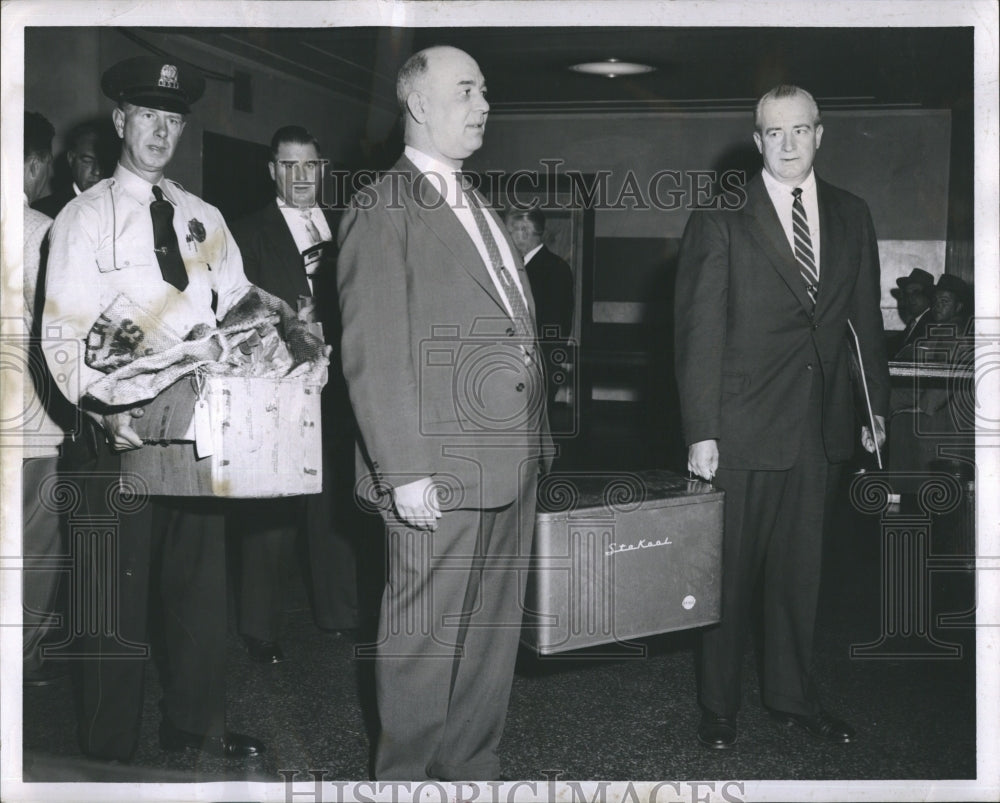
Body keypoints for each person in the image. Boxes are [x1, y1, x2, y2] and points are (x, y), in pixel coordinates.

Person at [41, 56, 269, 762]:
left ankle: (189, 731)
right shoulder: (83, 219)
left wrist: (273, 342)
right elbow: (63, 332)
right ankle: (104, 752)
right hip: (119, 432)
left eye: (172, 120)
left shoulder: (204, 217)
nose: (160, 132)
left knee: (199, 597)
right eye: (148, 116)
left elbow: (241, 305)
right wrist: (101, 406)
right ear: (120, 122)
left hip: (198, 429)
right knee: (112, 607)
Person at [337, 45, 550, 780]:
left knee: (489, 642)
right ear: (418, 104)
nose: (484, 104)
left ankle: (471, 770)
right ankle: (402, 781)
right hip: (434, 473)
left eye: (485, 90)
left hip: (507, 466)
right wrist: (402, 472)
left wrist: (537, 446)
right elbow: (373, 347)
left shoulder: (478, 203)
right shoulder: (381, 206)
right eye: (466, 91)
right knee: (423, 645)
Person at [674, 84, 889, 750]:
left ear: (820, 134)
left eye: (801, 130)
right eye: (775, 133)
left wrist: (872, 407)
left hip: (818, 424)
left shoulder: (853, 214)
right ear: (757, 139)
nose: (789, 144)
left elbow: (863, 323)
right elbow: (697, 330)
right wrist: (700, 430)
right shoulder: (722, 217)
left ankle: (793, 698)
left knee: (802, 575)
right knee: (728, 575)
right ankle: (719, 707)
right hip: (739, 424)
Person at [228, 125, 358, 664]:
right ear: (273, 171)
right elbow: (236, 314)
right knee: (275, 510)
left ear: (322, 169)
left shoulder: (348, 227)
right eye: (289, 166)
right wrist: (290, 329)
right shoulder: (247, 231)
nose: (301, 177)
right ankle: (260, 628)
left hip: (343, 386)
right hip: (280, 388)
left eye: (310, 166)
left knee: (333, 505)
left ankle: (339, 614)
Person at [20, 111, 68, 686]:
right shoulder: (38, 231)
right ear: (33, 163)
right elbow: (55, 331)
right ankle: (21, 662)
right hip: (28, 423)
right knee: (32, 552)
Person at [505, 207, 575, 409]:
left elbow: (554, 326)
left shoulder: (555, 269)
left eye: (508, 232)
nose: (505, 238)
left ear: (524, 232)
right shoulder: (519, 267)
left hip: (538, 365)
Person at [32, 121, 107, 218]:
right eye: (87, 160)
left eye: (103, 161)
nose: (97, 171)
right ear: (71, 159)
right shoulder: (43, 212)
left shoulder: (118, 208)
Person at [890, 267, 934, 359]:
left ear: (929, 295)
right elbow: (897, 343)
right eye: (907, 294)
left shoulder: (931, 323)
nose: (910, 298)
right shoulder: (914, 322)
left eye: (916, 292)